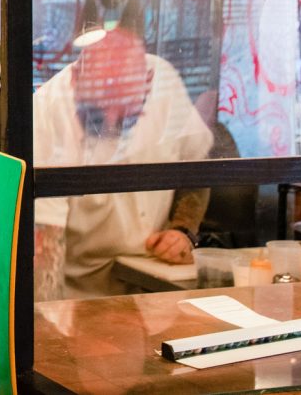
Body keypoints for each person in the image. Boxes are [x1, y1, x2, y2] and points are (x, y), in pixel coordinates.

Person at [33, 26, 213, 299]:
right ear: (75, 80)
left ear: (148, 82)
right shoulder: (46, 114)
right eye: (98, 109)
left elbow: (199, 166)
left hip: (155, 286)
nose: (109, 118)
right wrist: (53, 327)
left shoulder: (164, 83)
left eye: (124, 113)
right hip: (80, 296)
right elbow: (46, 247)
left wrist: (183, 230)